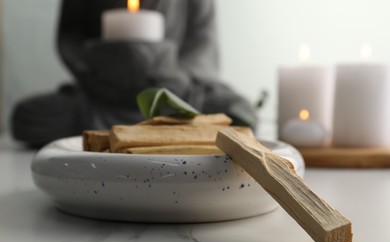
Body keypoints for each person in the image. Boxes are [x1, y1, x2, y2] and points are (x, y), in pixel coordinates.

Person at [11, 0, 257, 147]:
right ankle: (166, 131)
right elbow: (70, 37)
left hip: (171, 94)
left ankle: (145, 127)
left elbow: (202, 44)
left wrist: (175, 74)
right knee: (29, 116)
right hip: (104, 94)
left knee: (236, 110)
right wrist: (92, 70)